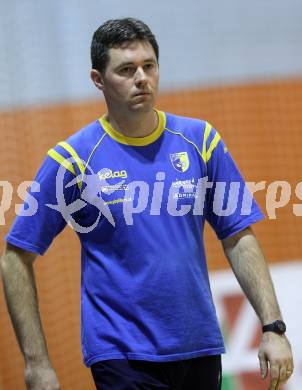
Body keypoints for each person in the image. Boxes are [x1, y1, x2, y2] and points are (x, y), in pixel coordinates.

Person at [0, 17, 293, 390]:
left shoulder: (200, 141)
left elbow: (238, 236)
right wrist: (37, 364)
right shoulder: (73, 160)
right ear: (98, 79)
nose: (141, 77)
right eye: (126, 69)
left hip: (200, 348)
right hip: (121, 356)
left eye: (148, 66)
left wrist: (273, 328)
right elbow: (15, 258)